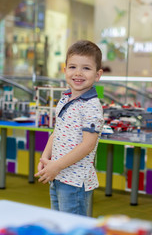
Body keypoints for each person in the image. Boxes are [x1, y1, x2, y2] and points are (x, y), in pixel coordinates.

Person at [34, 40, 104, 216]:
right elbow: (56, 133)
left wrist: (56, 166)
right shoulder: (65, 98)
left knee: (73, 228)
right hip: (57, 175)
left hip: (75, 182)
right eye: (73, 67)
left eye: (86, 68)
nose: (78, 73)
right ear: (65, 70)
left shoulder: (92, 106)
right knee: (60, 225)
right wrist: (45, 158)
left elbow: (88, 145)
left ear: (97, 74)